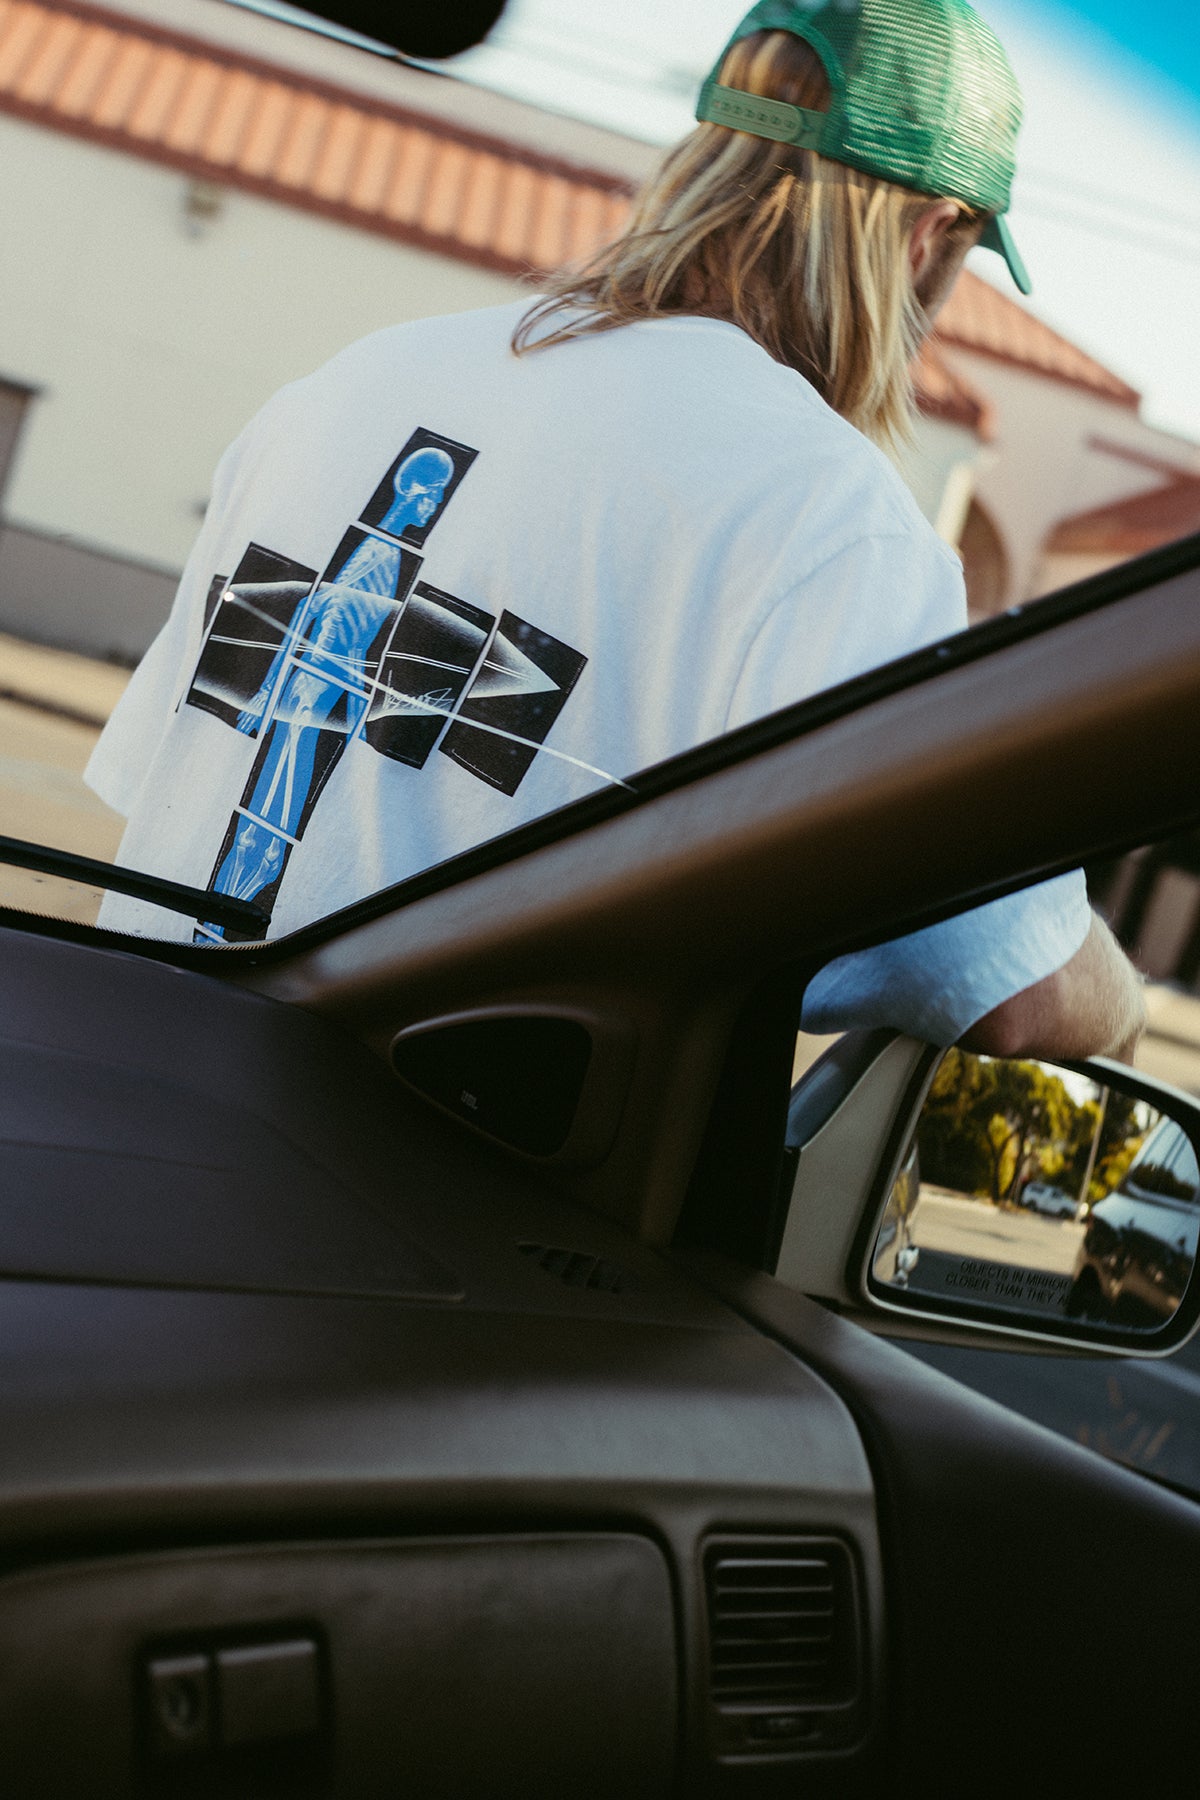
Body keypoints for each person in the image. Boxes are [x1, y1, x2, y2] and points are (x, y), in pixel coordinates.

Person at [85, 0, 1143, 1057]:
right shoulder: (835, 523)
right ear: (925, 239)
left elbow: (160, 787)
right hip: (378, 1151)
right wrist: (1124, 1007)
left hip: (103, 1077)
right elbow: (1009, 980)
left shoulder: (356, 378)